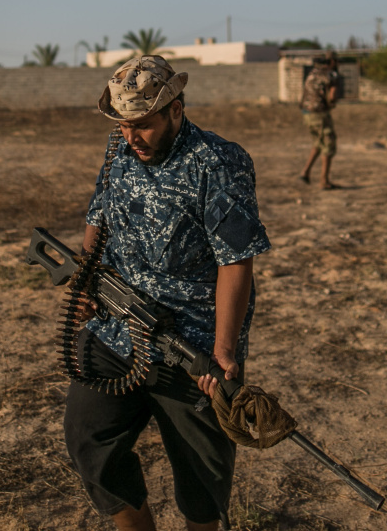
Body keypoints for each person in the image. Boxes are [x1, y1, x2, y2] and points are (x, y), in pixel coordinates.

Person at [64, 55, 271, 531]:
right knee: (89, 442)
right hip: (116, 330)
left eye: (142, 125)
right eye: (122, 125)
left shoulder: (218, 162)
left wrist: (222, 350)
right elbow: (98, 214)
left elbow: (236, 260)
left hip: (190, 345)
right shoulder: (120, 148)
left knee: (203, 479)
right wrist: (86, 280)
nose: (130, 137)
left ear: (175, 109)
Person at [299, 50, 341, 189]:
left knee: (318, 142)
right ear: (332, 61)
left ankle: (305, 172)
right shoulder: (330, 75)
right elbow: (332, 95)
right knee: (328, 144)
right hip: (319, 114)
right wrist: (332, 102)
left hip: (306, 113)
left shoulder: (313, 72)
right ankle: (324, 181)